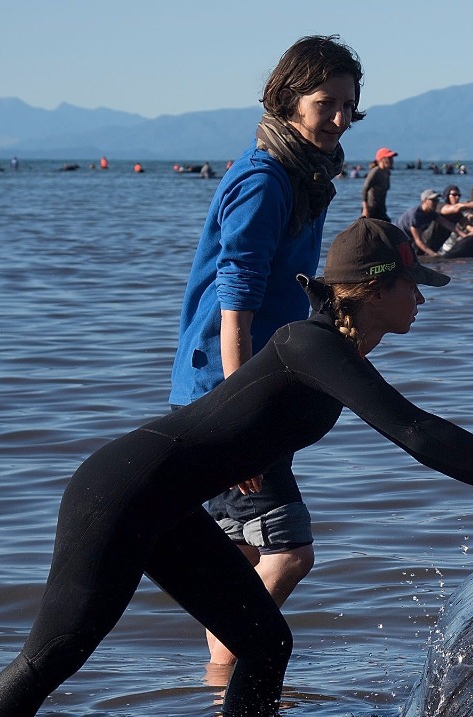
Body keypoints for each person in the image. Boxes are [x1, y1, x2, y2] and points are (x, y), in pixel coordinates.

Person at [0, 220, 473, 717]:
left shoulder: (327, 353)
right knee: (54, 654)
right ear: (373, 289)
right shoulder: (310, 344)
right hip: (121, 491)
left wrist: (250, 457)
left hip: (169, 505)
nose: (422, 299)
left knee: (265, 643)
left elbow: (252, 419)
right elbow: (413, 432)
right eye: (414, 285)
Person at [170, 35, 363, 666]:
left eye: (348, 105)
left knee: (245, 558)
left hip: (240, 387)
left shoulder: (298, 176)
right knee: (289, 554)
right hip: (224, 391)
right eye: (324, 102)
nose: (338, 118)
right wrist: (237, 419)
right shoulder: (265, 181)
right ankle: (228, 678)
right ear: (287, 100)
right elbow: (236, 305)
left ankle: (220, 710)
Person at [397, 189, 445, 256]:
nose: (436, 203)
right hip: (399, 241)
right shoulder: (415, 215)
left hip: (411, 240)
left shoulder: (431, 213)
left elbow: (447, 224)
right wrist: (433, 254)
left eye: (437, 200)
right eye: (433, 200)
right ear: (425, 200)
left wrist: (463, 235)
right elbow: (418, 240)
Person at [360, 146, 396, 219]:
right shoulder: (375, 172)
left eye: (392, 158)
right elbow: (365, 190)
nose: (392, 161)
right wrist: (365, 209)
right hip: (371, 209)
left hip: (381, 209)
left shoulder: (387, 172)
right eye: (389, 158)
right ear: (382, 160)